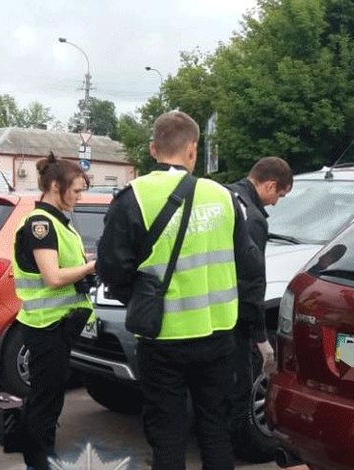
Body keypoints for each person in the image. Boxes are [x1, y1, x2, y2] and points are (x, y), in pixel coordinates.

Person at [96, 111, 263, 470]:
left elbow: (111, 269)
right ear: (193, 149)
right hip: (219, 335)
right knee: (215, 430)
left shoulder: (132, 198)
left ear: (153, 149)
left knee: (167, 433)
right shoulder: (225, 198)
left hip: (162, 338)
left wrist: (142, 298)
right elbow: (250, 266)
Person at [13, 153, 96, 470]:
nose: (79, 196)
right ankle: (39, 461)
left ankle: (41, 456)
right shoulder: (41, 225)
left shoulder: (57, 222)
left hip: (56, 325)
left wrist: (82, 267)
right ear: (54, 186)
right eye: (75, 190)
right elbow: (53, 277)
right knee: (44, 402)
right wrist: (91, 266)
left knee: (47, 398)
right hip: (46, 326)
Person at [224, 156, 292, 458]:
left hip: (207, 317)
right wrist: (262, 338)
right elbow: (252, 283)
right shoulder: (252, 218)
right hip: (235, 323)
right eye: (279, 195)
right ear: (270, 184)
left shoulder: (224, 197)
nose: (276, 203)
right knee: (235, 398)